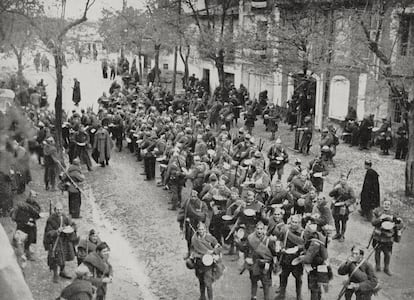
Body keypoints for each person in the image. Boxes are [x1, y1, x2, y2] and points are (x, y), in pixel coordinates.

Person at [43, 202, 78, 283]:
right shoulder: (50, 219)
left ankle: (62, 271)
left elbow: (73, 224)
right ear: (55, 210)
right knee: (55, 257)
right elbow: (48, 232)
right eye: (57, 210)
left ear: (63, 210)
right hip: (55, 241)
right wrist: (56, 231)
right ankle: (55, 274)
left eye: (60, 210)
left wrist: (71, 228)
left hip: (64, 240)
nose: (59, 211)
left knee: (64, 255)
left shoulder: (65, 217)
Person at [190, 222, 224, 300]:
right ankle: (202, 297)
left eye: (202, 229)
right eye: (199, 229)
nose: (201, 231)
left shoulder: (210, 238)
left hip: (208, 263)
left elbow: (219, 247)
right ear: (197, 230)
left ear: (205, 230)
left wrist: (213, 252)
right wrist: (193, 254)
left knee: (208, 283)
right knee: (201, 280)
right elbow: (192, 248)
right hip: (198, 262)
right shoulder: (194, 239)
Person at [275, 215, 305, 300]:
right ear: (290, 222)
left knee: (298, 279)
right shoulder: (285, 230)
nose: (294, 224)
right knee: (283, 276)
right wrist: (279, 245)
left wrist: (298, 248)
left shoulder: (303, 233)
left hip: (297, 259)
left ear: (299, 223)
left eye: (296, 222)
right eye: (293, 222)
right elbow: (279, 239)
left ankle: (298, 295)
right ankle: (282, 294)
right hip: (286, 258)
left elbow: (306, 245)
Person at [245, 221, 277, 300]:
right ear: (255, 229)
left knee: (265, 284)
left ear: (264, 230)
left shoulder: (269, 241)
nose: (259, 231)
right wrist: (247, 258)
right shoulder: (251, 239)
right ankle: (253, 297)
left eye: (261, 229)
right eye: (258, 229)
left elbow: (274, 254)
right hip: (254, 264)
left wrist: (274, 264)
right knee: (253, 281)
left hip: (264, 265)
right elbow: (246, 250)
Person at [371, 199, 403, 276]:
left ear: (390, 205)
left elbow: (401, 225)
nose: (386, 206)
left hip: (388, 238)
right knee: (377, 252)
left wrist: (394, 225)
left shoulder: (394, 214)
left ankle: (386, 268)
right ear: (382, 204)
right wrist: (380, 218)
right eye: (385, 204)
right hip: (378, 236)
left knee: (388, 254)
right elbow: (373, 222)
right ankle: (377, 266)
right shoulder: (377, 211)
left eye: (388, 204)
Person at [12, 190, 41, 261]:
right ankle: (26, 254)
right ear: (29, 196)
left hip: (31, 224)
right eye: (32, 196)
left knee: (32, 237)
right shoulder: (23, 205)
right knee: (26, 238)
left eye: (35, 197)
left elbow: (37, 212)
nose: (34, 198)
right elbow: (20, 216)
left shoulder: (34, 204)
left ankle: (26, 250)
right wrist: (26, 221)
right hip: (24, 225)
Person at [329, 173, 356, 242]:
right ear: (340, 179)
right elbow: (330, 194)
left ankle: (342, 235)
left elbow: (353, 199)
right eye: (342, 179)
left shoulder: (349, 188)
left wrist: (345, 203)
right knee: (336, 221)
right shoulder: (336, 186)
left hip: (344, 207)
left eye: (345, 179)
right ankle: (337, 233)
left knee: (343, 222)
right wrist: (335, 189)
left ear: (346, 180)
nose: (343, 181)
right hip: (336, 207)